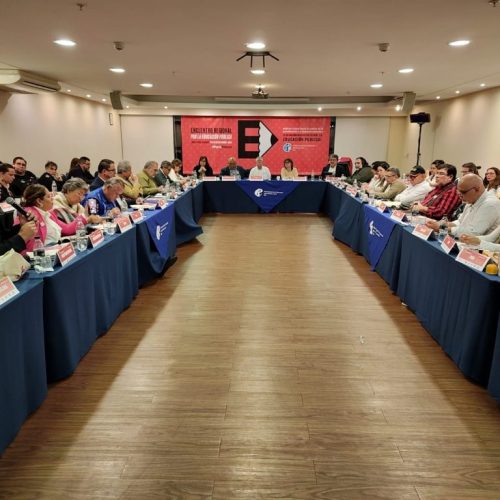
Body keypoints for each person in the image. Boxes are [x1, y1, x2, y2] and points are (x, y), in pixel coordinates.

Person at [426, 174, 500, 237]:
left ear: (477, 189)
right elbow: (460, 222)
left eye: (463, 192)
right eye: (459, 192)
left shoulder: (490, 204)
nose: (460, 195)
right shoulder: (472, 199)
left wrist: (442, 228)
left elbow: (474, 232)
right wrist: (443, 224)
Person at [22, 184, 87, 251]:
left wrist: (85, 217)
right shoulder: (29, 215)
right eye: (48, 196)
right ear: (39, 201)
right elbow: (32, 247)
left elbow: (67, 229)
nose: (52, 198)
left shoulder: (49, 213)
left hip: (56, 250)